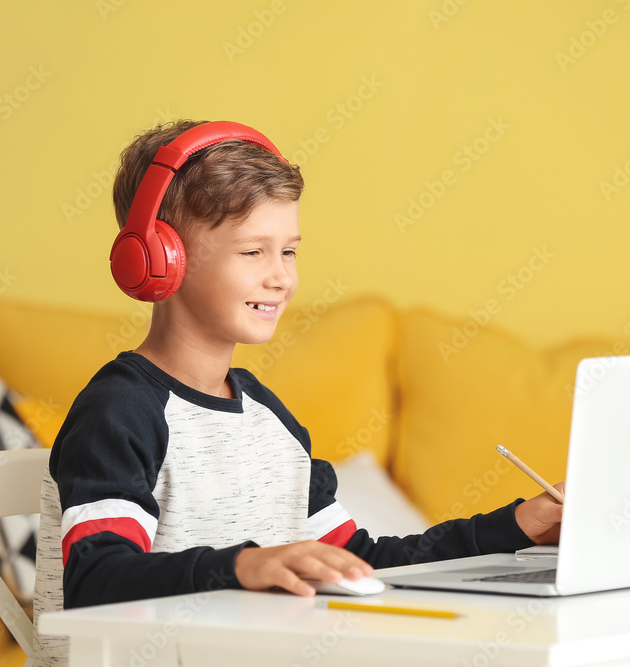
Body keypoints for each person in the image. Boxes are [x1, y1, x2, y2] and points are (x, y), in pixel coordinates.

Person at [31, 120, 563, 665]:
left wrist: (517, 525)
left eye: (289, 251)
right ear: (159, 260)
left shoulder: (268, 417)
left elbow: (356, 561)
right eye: (253, 252)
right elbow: (95, 581)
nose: (282, 277)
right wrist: (244, 567)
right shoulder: (120, 410)